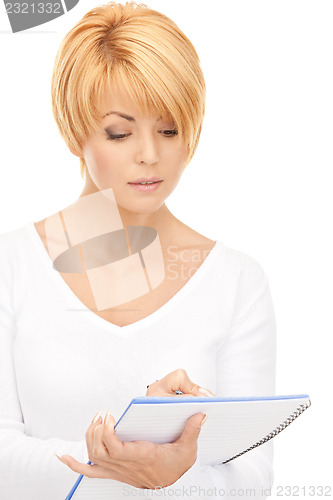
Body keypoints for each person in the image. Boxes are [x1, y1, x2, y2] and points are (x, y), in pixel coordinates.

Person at [0, 1, 276, 498]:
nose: (149, 153)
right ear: (74, 131)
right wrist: (132, 458)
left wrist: (176, 471)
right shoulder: (12, 266)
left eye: (169, 129)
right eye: (120, 132)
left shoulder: (237, 281)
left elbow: (253, 483)